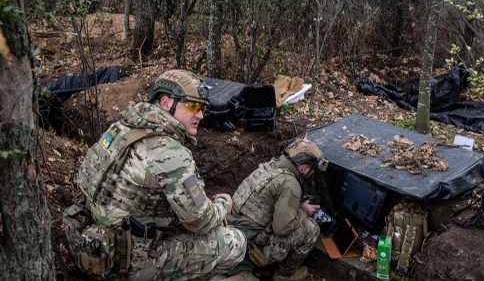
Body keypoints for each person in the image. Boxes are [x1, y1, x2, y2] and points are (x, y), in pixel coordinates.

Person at [74, 69, 246, 280]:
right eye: (193, 106)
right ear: (166, 103)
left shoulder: (120, 129)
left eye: (202, 108)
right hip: (134, 263)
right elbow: (200, 221)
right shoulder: (169, 152)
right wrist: (222, 205)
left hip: (99, 246)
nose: (200, 115)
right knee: (235, 241)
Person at [227, 136, 329, 281]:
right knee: (311, 228)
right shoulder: (290, 183)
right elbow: (282, 228)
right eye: (311, 169)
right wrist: (304, 210)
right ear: (305, 167)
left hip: (234, 235)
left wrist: (294, 203)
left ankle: (263, 270)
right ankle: (283, 275)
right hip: (251, 248)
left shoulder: (271, 166)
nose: (311, 173)